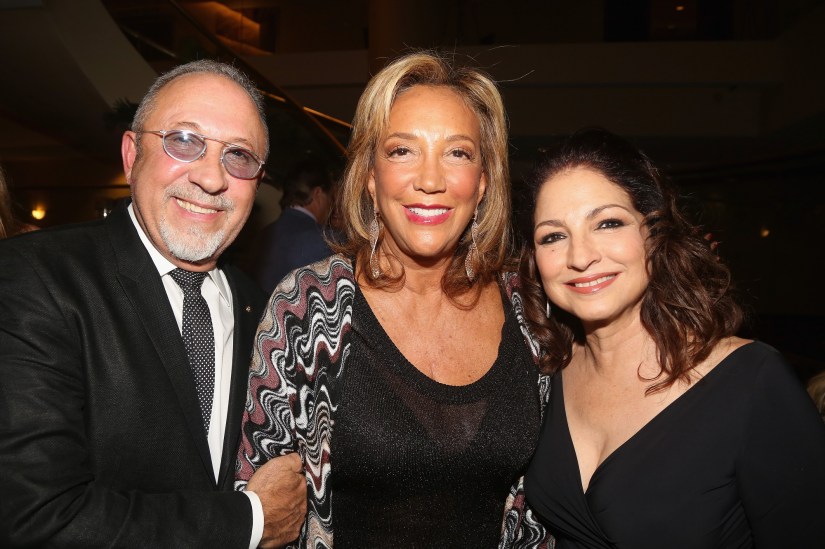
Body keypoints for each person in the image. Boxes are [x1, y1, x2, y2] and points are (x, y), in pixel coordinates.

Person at [235, 50, 553, 548]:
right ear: (369, 174)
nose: (430, 180)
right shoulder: (306, 308)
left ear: (484, 180)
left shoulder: (531, 308)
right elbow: (264, 507)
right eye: (402, 151)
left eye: (458, 153)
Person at [0, 60, 305, 548]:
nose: (211, 178)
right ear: (130, 153)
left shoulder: (266, 310)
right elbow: (36, 518)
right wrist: (248, 520)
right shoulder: (33, 278)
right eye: (184, 141)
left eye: (239, 156)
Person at [520, 127, 825, 548]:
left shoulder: (751, 382)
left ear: (655, 233)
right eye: (553, 236)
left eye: (608, 223)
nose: (580, 256)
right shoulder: (546, 371)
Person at [254, 159, 335, 293]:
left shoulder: (264, 233)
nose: (331, 207)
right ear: (318, 193)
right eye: (330, 198)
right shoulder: (326, 240)